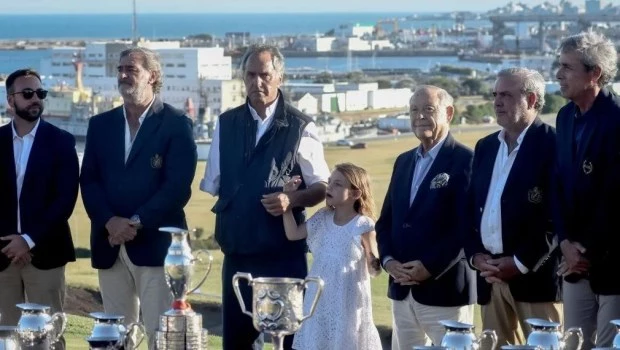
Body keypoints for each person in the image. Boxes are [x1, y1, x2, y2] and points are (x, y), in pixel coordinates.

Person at [200, 44, 330, 350]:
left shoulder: (302, 127)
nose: (257, 82)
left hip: (282, 258)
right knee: (236, 343)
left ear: (280, 77)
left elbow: (322, 187)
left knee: (289, 343)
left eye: (265, 75)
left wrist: (293, 200)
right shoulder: (225, 123)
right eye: (250, 75)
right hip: (238, 256)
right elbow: (216, 184)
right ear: (242, 77)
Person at [80, 47, 197, 349]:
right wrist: (110, 222)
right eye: (120, 69)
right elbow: (89, 181)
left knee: (162, 337)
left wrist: (134, 222)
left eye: (131, 69)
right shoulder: (100, 125)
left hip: (156, 248)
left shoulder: (176, 124)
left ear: (153, 76)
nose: (122, 75)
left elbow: (177, 188)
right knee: (116, 339)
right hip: (110, 245)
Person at [465, 67, 562, 347]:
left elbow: (556, 216)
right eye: (495, 94)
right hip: (489, 276)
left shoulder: (553, 145)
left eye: (506, 95)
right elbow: (471, 209)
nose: (496, 101)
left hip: (536, 279)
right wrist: (475, 256)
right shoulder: (485, 147)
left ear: (531, 100)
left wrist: (519, 263)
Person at [376, 85, 475, 349]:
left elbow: (467, 228)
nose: (420, 116)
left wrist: (429, 267)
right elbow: (385, 221)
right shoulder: (403, 161)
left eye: (428, 109)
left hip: (445, 292)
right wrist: (388, 261)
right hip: (401, 291)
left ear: (449, 113)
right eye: (414, 110)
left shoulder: (467, 160)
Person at [554, 31, 620, 350]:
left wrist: (587, 253)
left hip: (612, 266)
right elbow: (559, 187)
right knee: (572, 346)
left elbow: (614, 200)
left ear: (594, 73)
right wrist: (564, 242)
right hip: (573, 265)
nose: (558, 74)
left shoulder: (617, 120)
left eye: (567, 67)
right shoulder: (565, 117)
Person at [0, 68, 79, 330]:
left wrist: (28, 239)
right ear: (10, 101)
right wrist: (14, 243)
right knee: (7, 338)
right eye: (27, 93)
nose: (36, 98)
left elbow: (64, 201)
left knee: (48, 337)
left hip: (46, 255)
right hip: (3, 256)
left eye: (40, 93)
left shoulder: (62, 142)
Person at [282, 163, 382, 350]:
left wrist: (372, 259)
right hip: (319, 298)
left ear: (355, 194)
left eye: (337, 184)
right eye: (329, 182)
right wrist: (287, 206)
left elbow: (374, 269)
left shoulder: (363, 225)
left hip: (347, 300)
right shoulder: (322, 217)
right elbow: (293, 233)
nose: (329, 187)